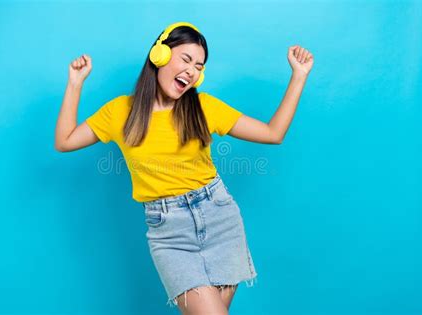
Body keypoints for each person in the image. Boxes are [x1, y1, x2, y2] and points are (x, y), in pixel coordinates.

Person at [54, 21, 314, 315]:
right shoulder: (119, 112)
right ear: (160, 55)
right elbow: (64, 141)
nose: (192, 71)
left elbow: (272, 133)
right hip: (169, 232)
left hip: (219, 219)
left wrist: (299, 77)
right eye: (186, 59)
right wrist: (75, 83)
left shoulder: (203, 107)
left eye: (199, 66)